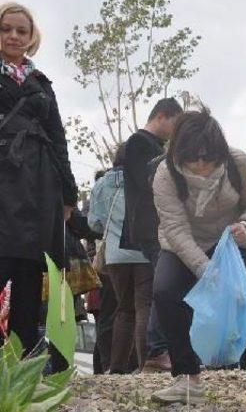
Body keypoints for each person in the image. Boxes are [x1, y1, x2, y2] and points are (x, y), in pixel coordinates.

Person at [150, 109, 246, 408]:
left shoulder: (237, 162)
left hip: (235, 242)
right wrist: (205, 270)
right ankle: (187, 378)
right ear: (179, 153)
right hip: (185, 243)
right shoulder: (166, 173)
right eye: (193, 158)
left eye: (208, 158)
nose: (201, 166)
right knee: (165, 292)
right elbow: (175, 229)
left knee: (245, 303)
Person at [0, 2, 78, 355]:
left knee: (31, 268)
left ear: (32, 38)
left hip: (39, 183)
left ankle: (23, 355)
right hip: (3, 176)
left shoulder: (41, 82)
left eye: (21, 30)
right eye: (6, 29)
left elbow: (58, 137)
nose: (14, 36)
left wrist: (68, 194)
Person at [121, 98, 182, 372]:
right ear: (162, 116)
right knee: (163, 286)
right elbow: (149, 182)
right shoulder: (138, 143)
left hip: (161, 224)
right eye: (175, 125)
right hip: (149, 224)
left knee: (165, 284)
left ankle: (161, 349)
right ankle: (158, 350)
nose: (174, 132)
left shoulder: (154, 146)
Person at [89, 144, 153, 373]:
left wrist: (112, 225)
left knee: (124, 309)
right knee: (144, 305)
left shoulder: (102, 184)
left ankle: (115, 367)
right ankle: (147, 364)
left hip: (116, 256)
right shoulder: (146, 177)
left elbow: (93, 223)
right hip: (145, 251)